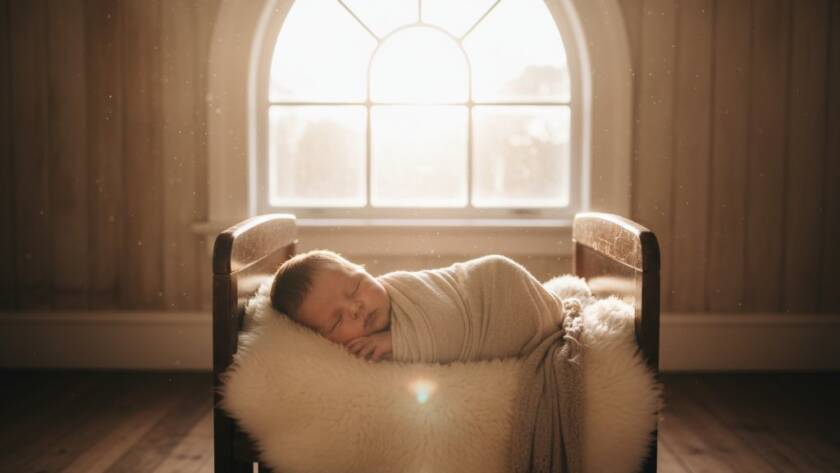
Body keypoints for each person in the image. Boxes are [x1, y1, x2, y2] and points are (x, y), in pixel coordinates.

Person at [270, 249, 577, 363]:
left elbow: (450, 323)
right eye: (337, 321)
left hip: (498, 287)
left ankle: (550, 317)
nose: (355, 308)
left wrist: (396, 341)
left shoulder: (402, 286)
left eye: (356, 286)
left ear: (366, 270)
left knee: (533, 322)